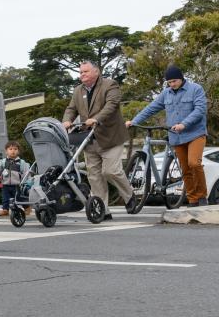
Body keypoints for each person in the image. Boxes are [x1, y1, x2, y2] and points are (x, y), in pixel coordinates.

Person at [62, 60, 137, 219]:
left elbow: (111, 105)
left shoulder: (110, 85)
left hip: (111, 136)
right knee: (94, 176)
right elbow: (71, 109)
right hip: (89, 138)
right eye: (81, 72)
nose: (82, 75)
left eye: (85, 72)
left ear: (96, 72)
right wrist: (67, 120)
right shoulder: (78, 91)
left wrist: (96, 118)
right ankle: (102, 209)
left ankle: (129, 196)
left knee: (110, 171)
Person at [125, 65, 209, 207]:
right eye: (169, 82)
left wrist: (184, 124)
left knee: (194, 163)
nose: (172, 84)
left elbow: (200, 109)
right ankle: (193, 198)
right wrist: (134, 121)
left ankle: (202, 196)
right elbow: (151, 108)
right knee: (185, 169)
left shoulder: (195, 89)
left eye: (174, 81)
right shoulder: (166, 93)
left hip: (195, 134)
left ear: (181, 79)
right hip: (176, 136)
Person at [0, 140, 31, 216]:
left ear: (18, 151)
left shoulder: (21, 163)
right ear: (6, 151)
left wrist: (26, 182)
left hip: (17, 185)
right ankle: (5, 209)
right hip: (5, 184)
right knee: (5, 198)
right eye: (10, 149)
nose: (13, 151)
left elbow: (26, 173)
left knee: (19, 198)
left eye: (15, 149)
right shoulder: (3, 162)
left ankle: (27, 207)